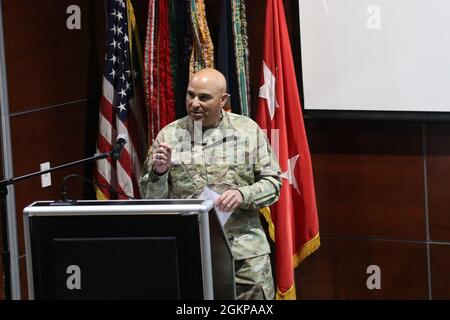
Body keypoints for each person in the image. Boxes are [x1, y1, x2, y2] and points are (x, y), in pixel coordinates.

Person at [139, 68, 281, 300]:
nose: (194, 103)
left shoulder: (247, 131)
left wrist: (242, 194)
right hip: (192, 251)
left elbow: (273, 184)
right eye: (190, 95)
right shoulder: (169, 135)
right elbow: (151, 201)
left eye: (204, 97)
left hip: (244, 253)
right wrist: (159, 173)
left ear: (223, 100)